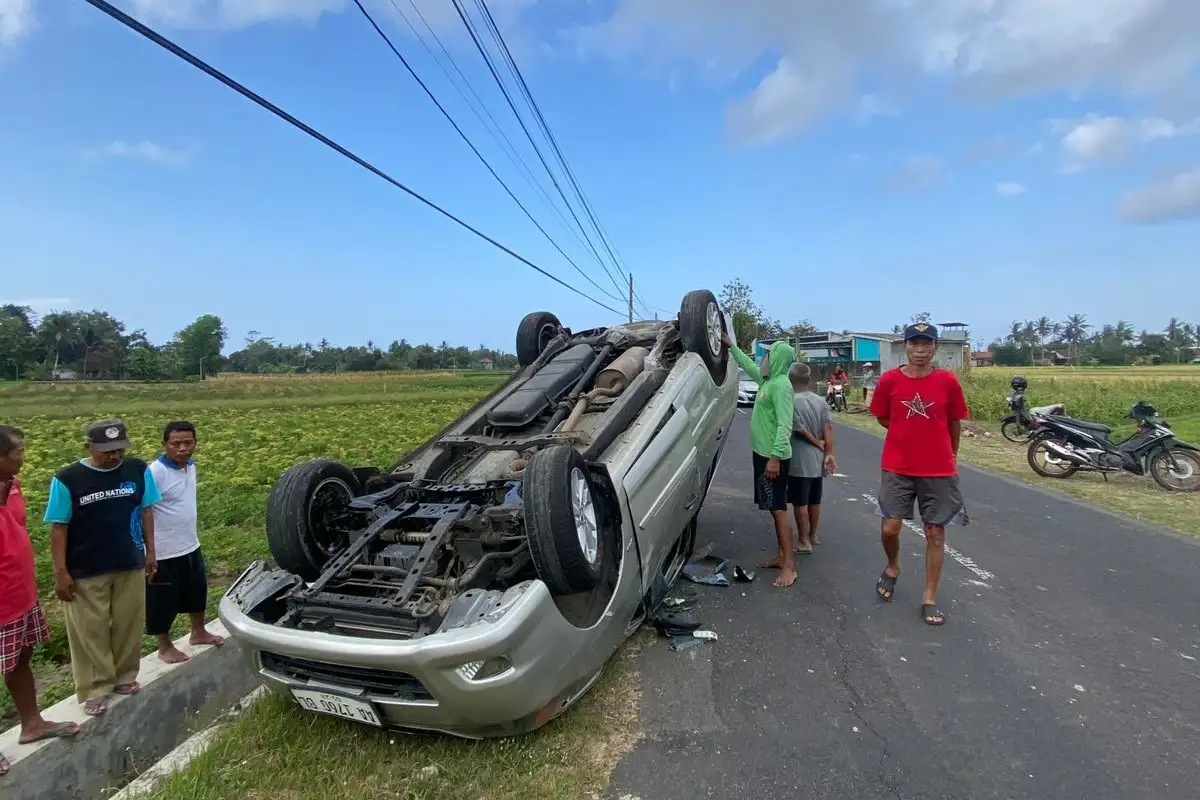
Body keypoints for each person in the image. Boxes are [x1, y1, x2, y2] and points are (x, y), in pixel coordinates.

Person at [44, 419, 162, 717]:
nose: (114, 456)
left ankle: (124, 676)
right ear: (89, 446)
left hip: (129, 561)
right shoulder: (68, 478)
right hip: (86, 567)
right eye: (106, 451)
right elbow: (59, 528)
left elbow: (147, 510)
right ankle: (96, 687)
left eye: (119, 449)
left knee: (128, 623)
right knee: (90, 630)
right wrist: (60, 572)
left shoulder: (137, 469)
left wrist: (151, 552)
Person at [868, 323, 969, 626]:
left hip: (938, 468)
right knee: (890, 527)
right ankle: (893, 566)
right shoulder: (889, 381)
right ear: (906, 347)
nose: (921, 351)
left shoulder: (948, 382)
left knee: (935, 532)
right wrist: (906, 435)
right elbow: (885, 417)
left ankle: (929, 597)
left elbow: (954, 422)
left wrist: (951, 455)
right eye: (915, 345)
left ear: (936, 347)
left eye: (927, 345)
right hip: (898, 466)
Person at [1, 426, 80, 776]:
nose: (24, 456)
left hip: (20, 591)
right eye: (18, 451)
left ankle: (32, 723)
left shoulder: (12, 484)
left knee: (21, 657)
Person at [723, 334, 798, 588]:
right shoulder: (767, 380)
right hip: (763, 455)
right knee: (772, 507)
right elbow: (747, 364)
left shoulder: (782, 386)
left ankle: (789, 566)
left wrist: (775, 457)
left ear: (777, 359)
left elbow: (785, 425)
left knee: (778, 509)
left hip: (773, 458)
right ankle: (780, 556)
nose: (763, 359)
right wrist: (731, 345)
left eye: (768, 355)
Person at [147, 421, 224, 663]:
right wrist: (148, 551)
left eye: (188, 443)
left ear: (195, 443)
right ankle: (164, 646)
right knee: (162, 601)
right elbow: (143, 510)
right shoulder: (154, 472)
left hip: (190, 544)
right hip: (163, 550)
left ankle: (198, 632)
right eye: (176, 444)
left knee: (196, 591)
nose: (183, 448)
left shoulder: (190, 467)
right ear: (164, 445)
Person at [787, 364, 837, 554]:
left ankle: (803, 540)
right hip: (818, 461)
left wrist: (816, 443)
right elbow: (828, 430)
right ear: (808, 380)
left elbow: (798, 429)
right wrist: (828, 453)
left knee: (800, 502)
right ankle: (814, 535)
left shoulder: (791, 401)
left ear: (790, 379)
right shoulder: (821, 402)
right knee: (815, 500)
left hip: (800, 459)